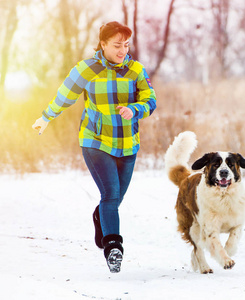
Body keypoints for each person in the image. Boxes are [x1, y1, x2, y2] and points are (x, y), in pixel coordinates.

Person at [32, 21, 157, 273]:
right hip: (96, 140)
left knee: (115, 199)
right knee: (110, 195)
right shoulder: (87, 69)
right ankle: (114, 249)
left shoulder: (136, 70)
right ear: (102, 44)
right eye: (117, 45)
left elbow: (150, 100)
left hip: (127, 143)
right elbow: (64, 95)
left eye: (126, 45)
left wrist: (134, 109)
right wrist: (46, 117)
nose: (123, 50)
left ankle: (101, 216)